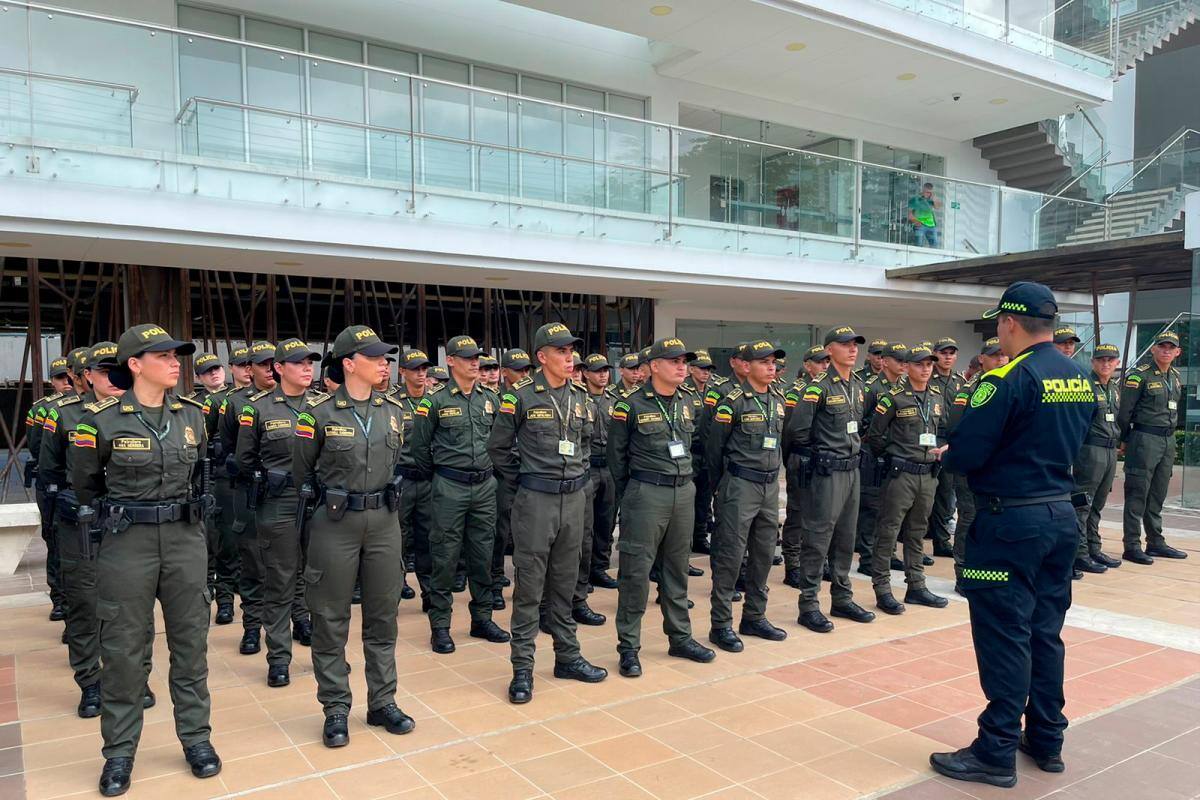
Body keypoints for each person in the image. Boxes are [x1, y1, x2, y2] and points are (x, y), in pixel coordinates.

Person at [931, 281, 1092, 789]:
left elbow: (968, 453)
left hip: (1009, 523)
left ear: (1009, 323)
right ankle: (1046, 739)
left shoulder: (1004, 380)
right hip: (1061, 517)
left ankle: (996, 748)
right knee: (1046, 632)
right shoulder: (1080, 377)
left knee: (1005, 633)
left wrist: (948, 455)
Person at [72, 324, 220, 796]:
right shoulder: (100, 421)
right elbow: (85, 486)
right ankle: (119, 752)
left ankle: (196, 738)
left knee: (191, 645)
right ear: (135, 364)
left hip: (183, 538)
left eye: (178, 355)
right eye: (164, 355)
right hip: (127, 541)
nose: (176, 362)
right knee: (123, 651)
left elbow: (201, 474)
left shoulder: (193, 417)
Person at [293, 325, 415, 748]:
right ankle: (336, 708)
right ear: (349, 364)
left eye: (386, 357)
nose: (386, 363)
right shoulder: (319, 414)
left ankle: (382, 702)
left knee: (383, 615)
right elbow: (301, 472)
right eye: (375, 357)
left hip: (383, 521)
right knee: (329, 619)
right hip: (335, 523)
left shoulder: (394, 410)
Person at [487, 322, 607, 705]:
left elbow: (586, 446)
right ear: (542, 357)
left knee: (566, 584)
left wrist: (578, 479)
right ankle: (522, 669)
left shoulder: (582, 397)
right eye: (561, 351)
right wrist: (527, 480)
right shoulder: (520, 397)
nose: (570, 358)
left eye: (572, 351)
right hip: (535, 501)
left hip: (573, 500)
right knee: (529, 589)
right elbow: (498, 450)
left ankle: (567, 657)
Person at [40, 342, 155, 719]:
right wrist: (56, 527)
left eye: (118, 370)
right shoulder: (64, 415)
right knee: (85, 606)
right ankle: (91, 681)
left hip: (128, 525)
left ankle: (137, 677)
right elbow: (50, 476)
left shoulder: (145, 413)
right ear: (87, 376)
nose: (114, 378)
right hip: (82, 525)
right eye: (105, 371)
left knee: (135, 607)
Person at [608, 337, 716, 677]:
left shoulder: (687, 402)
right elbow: (617, 458)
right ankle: (629, 647)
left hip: (682, 492)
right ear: (654, 366)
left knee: (676, 569)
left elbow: (693, 444)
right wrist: (637, 493)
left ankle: (680, 637)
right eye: (674, 361)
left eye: (685, 361)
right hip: (646, 493)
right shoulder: (630, 405)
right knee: (636, 573)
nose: (682, 366)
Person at [410, 335, 510, 653]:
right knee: (445, 556)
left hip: (484, 486)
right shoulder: (434, 401)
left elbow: (499, 442)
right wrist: (441, 476)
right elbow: (419, 448)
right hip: (449, 486)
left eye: (476, 357)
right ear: (450, 361)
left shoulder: (490, 400)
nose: (474, 362)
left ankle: (481, 619)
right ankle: (440, 625)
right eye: (466, 358)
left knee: (482, 554)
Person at [234, 338, 323, 688]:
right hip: (280, 501)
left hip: (316, 502)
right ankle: (279, 658)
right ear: (279, 368)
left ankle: (325, 654)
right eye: (298, 362)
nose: (307, 368)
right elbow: (244, 460)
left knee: (319, 580)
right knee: (281, 580)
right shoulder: (258, 408)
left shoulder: (324, 406)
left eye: (310, 362)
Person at [786, 326, 876, 633]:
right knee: (818, 538)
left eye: (855, 344)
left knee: (846, 537)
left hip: (852, 471)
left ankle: (842, 597)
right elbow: (798, 431)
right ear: (829, 350)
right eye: (845, 344)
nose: (853, 349)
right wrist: (819, 457)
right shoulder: (818, 387)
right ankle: (809, 605)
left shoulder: (858, 385)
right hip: (827, 472)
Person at [705, 340, 789, 652]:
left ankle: (755, 616)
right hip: (739, 485)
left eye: (773, 363)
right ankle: (721, 624)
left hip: (769, 486)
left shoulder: (777, 400)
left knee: (765, 552)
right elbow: (714, 450)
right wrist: (719, 487)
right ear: (747, 365)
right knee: (730, 555)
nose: (771, 368)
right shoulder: (733, 402)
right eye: (764, 362)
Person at [866, 345, 949, 614]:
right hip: (901, 474)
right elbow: (875, 436)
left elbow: (944, 430)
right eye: (920, 364)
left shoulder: (935, 397)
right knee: (888, 531)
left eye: (929, 364)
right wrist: (895, 456)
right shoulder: (894, 398)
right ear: (907, 367)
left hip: (928, 475)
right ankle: (883, 589)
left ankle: (917, 586)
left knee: (916, 533)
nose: (926, 369)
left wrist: (942, 448)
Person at [219, 341, 277, 656]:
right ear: (248, 368)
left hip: (289, 496)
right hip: (251, 492)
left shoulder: (297, 401)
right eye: (263, 364)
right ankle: (252, 627)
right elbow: (229, 449)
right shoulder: (235, 404)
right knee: (252, 561)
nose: (270, 369)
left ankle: (299, 619)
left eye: (274, 363)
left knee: (293, 564)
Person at [1118, 330, 1187, 563]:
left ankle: (1155, 542)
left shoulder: (1176, 376)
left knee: (1158, 493)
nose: (1166, 350)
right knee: (1138, 492)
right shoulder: (1140, 376)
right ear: (1153, 349)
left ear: (1178, 352)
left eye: (1171, 347)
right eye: (1162, 346)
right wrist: (1125, 439)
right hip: (1144, 439)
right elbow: (1125, 411)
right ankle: (1132, 545)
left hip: (1167, 441)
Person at [946, 338, 1007, 594]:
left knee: (992, 520)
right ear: (982, 359)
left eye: (1004, 355)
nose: (1001, 360)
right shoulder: (970, 389)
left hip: (997, 468)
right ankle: (963, 574)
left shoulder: (1008, 386)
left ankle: (986, 572)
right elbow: (956, 429)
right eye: (995, 356)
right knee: (969, 518)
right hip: (972, 466)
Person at [203, 345, 249, 626]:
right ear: (232, 368)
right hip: (227, 480)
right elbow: (206, 440)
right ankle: (225, 601)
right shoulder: (221, 401)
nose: (247, 369)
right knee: (228, 543)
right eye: (241, 364)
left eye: (251, 364)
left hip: (260, 482)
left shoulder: (272, 401)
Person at [27, 354, 74, 623]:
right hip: (52, 485)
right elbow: (36, 448)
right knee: (55, 541)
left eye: (69, 377)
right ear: (52, 381)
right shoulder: (42, 409)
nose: (66, 383)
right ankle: (59, 598)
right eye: (60, 378)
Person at [1071, 343, 1123, 577]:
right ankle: (1079, 554)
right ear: (1093, 362)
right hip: (1090, 451)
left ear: (1117, 364)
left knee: (1099, 504)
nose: (1106, 364)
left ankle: (1094, 548)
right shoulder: (1085, 386)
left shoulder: (1114, 387)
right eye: (1101, 360)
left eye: (1110, 360)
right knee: (1083, 504)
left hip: (1110, 452)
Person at [781, 345, 830, 587]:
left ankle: (818, 563)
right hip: (802, 459)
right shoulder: (795, 391)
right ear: (808, 365)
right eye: (820, 362)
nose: (824, 366)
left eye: (827, 362)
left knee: (821, 514)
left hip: (824, 461)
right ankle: (792, 564)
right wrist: (792, 459)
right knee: (797, 514)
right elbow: (789, 431)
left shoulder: (831, 388)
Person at [856, 342, 907, 574]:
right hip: (872, 453)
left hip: (894, 455)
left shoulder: (904, 386)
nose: (903, 365)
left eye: (906, 361)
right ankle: (867, 557)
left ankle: (887, 554)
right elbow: (860, 421)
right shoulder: (871, 387)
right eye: (899, 360)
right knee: (871, 507)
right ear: (885, 361)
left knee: (890, 508)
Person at [389, 349, 433, 607]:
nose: (421, 373)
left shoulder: (436, 400)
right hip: (402, 480)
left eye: (424, 368)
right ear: (402, 372)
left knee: (429, 538)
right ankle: (395, 591)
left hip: (428, 480)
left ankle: (429, 592)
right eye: (415, 368)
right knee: (398, 540)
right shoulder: (393, 403)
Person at [582, 354, 618, 590]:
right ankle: (581, 574)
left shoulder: (615, 400)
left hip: (610, 467)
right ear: (586, 373)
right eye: (597, 371)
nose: (603, 374)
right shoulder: (579, 399)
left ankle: (599, 568)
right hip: (587, 468)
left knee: (606, 522)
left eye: (605, 370)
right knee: (585, 525)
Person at [926, 338, 964, 559]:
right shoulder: (928, 379)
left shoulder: (960, 381)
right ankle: (935, 538)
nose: (948, 357)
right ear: (935, 354)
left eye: (951, 353)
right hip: (933, 438)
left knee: (948, 492)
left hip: (954, 439)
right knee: (935, 492)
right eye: (943, 353)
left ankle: (942, 540)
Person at [683, 350, 716, 555]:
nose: (706, 373)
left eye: (709, 369)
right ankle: (684, 543)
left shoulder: (712, 391)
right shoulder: (684, 391)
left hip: (708, 453)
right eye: (702, 368)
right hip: (690, 451)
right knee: (687, 502)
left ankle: (700, 538)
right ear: (692, 369)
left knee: (704, 499)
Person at [909, 182, 940, 248]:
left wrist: (934, 197)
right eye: (926, 192)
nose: (928, 194)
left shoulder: (931, 200)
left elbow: (937, 207)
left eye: (930, 192)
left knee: (934, 246)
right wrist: (916, 222)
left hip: (932, 226)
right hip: (920, 225)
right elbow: (910, 214)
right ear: (923, 190)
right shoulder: (915, 199)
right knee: (918, 245)